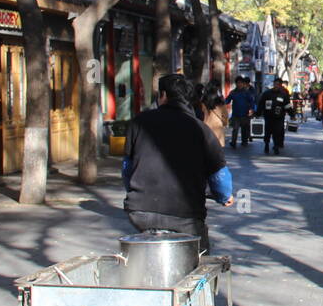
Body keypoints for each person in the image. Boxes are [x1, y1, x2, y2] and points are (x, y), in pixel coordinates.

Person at [122, 73, 232, 254]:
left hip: (140, 212)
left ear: (163, 95)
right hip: (186, 214)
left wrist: (135, 191)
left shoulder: (139, 122)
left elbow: (127, 168)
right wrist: (223, 196)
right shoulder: (201, 129)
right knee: (198, 260)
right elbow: (219, 174)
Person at [257, 76, 295, 155]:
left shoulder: (283, 94)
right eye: (275, 84)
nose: (276, 86)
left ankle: (276, 146)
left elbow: (287, 105)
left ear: (281, 85)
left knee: (277, 132)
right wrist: (258, 113)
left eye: (278, 84)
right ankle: (266, 144)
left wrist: (292, 114)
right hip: (268, 116)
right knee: (267, 132)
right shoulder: (267, 93)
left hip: (279, 117)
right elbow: (261, 104)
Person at [225, 75, 257, 148]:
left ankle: (244, 141)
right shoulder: (233, 92)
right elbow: (227, 100)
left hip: (245, 114)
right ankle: (233, 142)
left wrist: (252, 109)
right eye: (238, 83)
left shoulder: (247, 92)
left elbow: (252, 102)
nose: (239, 84)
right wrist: (221, 102)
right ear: (236, 83)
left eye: (240, 83)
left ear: (243, 83)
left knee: (244, 129)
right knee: (235, 129)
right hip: (236, 114)